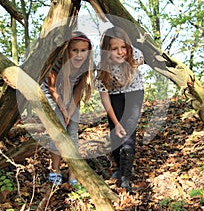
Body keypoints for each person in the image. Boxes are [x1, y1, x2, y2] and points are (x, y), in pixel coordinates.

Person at [41, 31, 94, 186]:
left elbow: (79, 89)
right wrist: (63, 110)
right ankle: (55, 169)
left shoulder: (87, 65)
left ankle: (73, 172)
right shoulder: (57, 61)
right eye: (75, 50)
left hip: (71, 94)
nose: (79, 55)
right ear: (67, 50)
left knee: (72, 132)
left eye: (83, 51)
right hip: (52, 93)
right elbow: (52, 88)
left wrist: (71, 110)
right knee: (59, 129)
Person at [96, 26, 144, 192]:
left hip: (134, 93)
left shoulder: (135, 55)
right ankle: (119, 167)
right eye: (114, 49)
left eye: (123, 47)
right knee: (116, 134)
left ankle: (125, 177)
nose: (120, 52)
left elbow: (147, 56)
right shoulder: (102, 68)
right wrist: (116, 123)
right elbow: (105, 98)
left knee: (129, 130)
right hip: (114, 97)